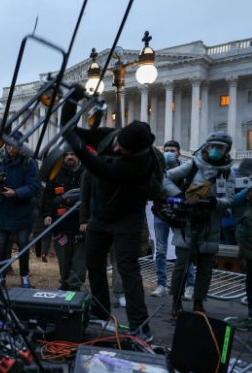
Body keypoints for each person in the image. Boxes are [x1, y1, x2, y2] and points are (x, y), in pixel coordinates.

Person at [63, 118, 157, 342]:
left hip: (127, 219)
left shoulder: (140, 162)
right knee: (93, 264)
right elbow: (77, 131)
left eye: (121, 148)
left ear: (133, 150)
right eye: (116, 141)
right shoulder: (110, 136)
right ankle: (100, 311)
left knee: (128, 270)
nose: (115, 147)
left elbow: (101, 168)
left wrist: (78, 148)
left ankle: (140, 326)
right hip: (100, 217)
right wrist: (70, 108)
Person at [163, 131, 235, 314]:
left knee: (205, 269)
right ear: (206, 146)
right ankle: (176, 302)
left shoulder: (227, 172)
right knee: (181, 266)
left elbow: (229, 198)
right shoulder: (193, 164)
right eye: (213, 146)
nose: (216, 150)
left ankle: (198, 303)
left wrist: (215, 202)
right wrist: (179, 196)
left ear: (226, 150)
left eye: (220, 147)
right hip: (188, 222)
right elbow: (165, 178)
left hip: (211, 225)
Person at [0, 132, 40, 287]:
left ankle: (24, 277)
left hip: (22, 209)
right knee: (2, 245)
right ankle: (1, 276)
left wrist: (16, 193)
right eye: (8, 145)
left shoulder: (29, 162)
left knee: (23, 243)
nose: (11, 149)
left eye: (14, 145)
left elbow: (34, 186)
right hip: (3, 209)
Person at [150, 140, 195, 298]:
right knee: (160, 251)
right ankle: (161, 284)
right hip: (160, 213)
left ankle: (190, 285)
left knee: (183, 250)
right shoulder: (157, 168)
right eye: (166, 150)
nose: (168, 152)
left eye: (172, 150)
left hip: (179, 214)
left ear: (178, 153)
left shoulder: (186, 169)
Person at [42, 148, 86, 291]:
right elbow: (47, 197)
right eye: (66, 155)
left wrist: (86, 221)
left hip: (81, 225)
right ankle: (65, 284)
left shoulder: (86, 174)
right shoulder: (56, 174)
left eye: (72, 154)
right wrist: (47, 215)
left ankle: (75, 286)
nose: (69, 157)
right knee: (64, 258)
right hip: (61, 224)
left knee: (79, 259)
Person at [231, 171, 252, 330]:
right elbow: (233, 201)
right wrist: (248, 188)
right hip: (250, 254)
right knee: (251, 285)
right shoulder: (251, 205)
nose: (248, 194)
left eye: (251, 191)